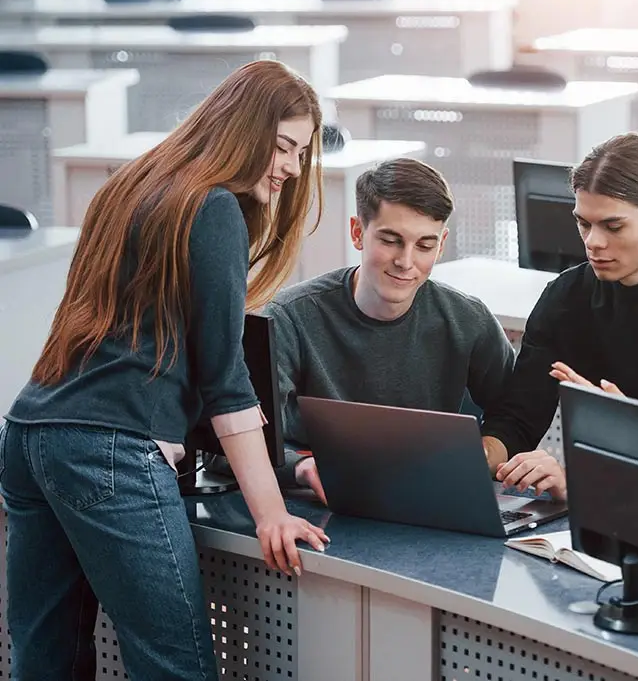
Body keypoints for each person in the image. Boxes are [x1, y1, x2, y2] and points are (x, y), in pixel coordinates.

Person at [0, 61, 329, 680]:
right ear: (241, 129)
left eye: (300, 152)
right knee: (174, 669)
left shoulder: (130, 186)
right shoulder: (212, 208)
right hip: (108, 452)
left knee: (44, 664)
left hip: (28, 434)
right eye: (282, 145)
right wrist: (271, 513)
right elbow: (226, 380)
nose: (289, 166)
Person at [248, 157, 516, 503]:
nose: (406, 262)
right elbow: (228, 446)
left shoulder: (469, 321)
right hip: (320, 506)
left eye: (424, 245)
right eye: (391, 240)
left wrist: (483, 454)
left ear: (442, 243)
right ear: (357, 233)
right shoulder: (289, 318)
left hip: (431, 501)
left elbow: (514, 416)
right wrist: (302, 468)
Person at [487, 133, 638, 499]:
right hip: (605, 502)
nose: (592, 241)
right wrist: (480, 455)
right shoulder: (567, 297)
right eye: (584, 224)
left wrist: (583, 469)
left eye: (612, 226)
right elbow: (519, 419)